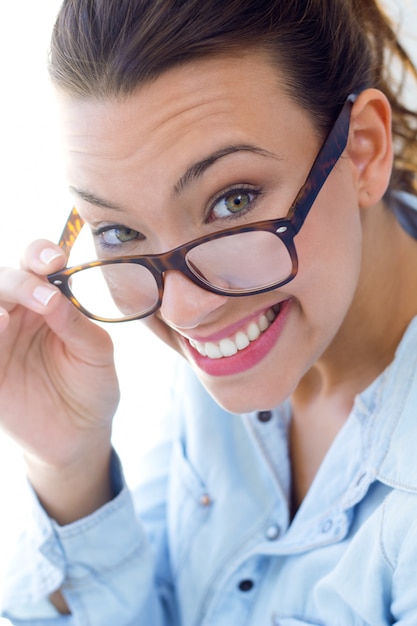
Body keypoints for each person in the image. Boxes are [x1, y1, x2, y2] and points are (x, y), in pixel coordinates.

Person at [1, 0, 417, 623]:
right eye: (118, 230)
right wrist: (70, 467)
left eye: (233, 200)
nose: (185, 310)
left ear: (362, 150)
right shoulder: (245, 337)